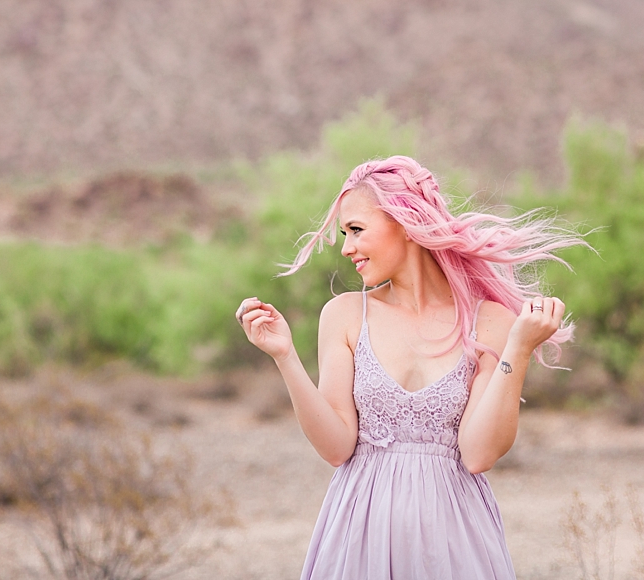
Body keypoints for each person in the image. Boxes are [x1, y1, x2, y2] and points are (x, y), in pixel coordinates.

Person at [235, 155, 584, 579]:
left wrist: (519, 350)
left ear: (404, 223)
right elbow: (336, 447)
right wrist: (285, 357)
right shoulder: (344, 315)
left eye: (356, 230)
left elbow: (479, 453)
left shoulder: (490, 322)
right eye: (344, 234)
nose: (346, 248)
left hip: (455, 536)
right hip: (359, 530)